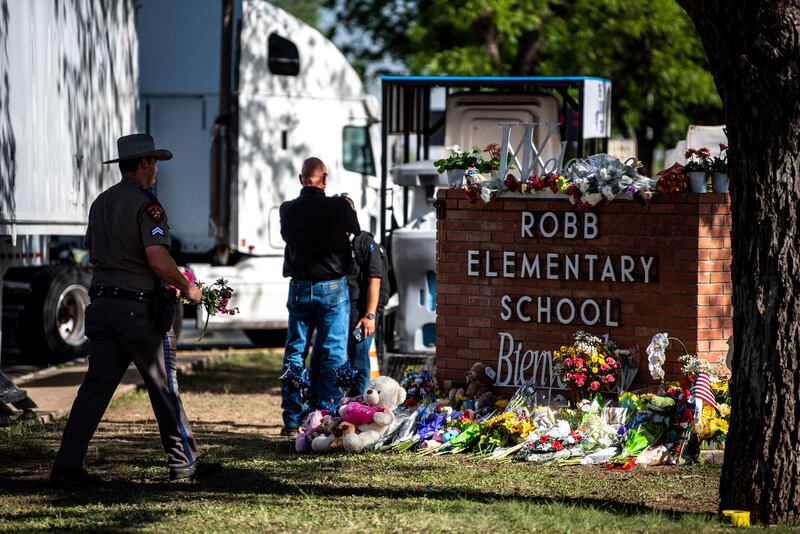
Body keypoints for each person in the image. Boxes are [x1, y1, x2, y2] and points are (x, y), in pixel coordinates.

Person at [51, 133, 221, 486]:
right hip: (138, 311)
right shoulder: (149, 207)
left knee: (94, 390)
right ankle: (182, 462)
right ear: (144, 164)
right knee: (163, 387)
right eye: (154, 162)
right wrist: (187, 286)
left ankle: (66, 466)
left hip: (102, 306)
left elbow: (94, 255)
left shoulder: (101, 202)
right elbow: (158, 259)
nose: (157, 169)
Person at [279, 157, 360, 435]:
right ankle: (327, 412)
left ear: (301, 179)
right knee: (333, 352)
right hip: (333, 288)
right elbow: (355, 230)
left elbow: (288, 236)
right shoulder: (338, 206)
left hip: (300, 286)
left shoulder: (287, 210)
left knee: (295, 351)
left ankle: (292, 418)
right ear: (324, 179)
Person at [342, 196, 384, 397]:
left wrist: (370, 316)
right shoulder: (335, 241)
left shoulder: (365, 242)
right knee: (342, 362)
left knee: (359, 362)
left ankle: (357, 407)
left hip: (362, 314)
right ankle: (342, 410)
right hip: (343, 310)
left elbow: (375, 279)